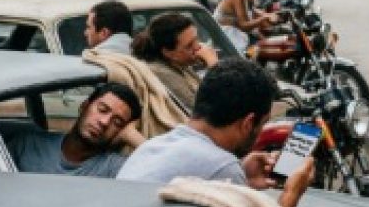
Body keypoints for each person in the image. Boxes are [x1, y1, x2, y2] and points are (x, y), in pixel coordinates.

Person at [117, 58, 280, 187]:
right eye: (263, 123)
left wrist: (241, 175)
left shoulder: (151, 146)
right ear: (248, 123)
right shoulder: (223, 168)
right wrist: (291, 191)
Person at [3, 82, 141, 177]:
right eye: (102, 110)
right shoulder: (28, 144)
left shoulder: (114, 167)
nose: (104, 122)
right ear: (84, 106)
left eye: (117, 122)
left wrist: (132, 136)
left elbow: (154, 183)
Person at [135, 13, 218, 109]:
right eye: (189, 45)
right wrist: (214, 66)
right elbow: (203, 108)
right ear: (168, 53)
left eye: (196, 39)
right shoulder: (161, 73)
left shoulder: (180, 64)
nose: (198, 46)